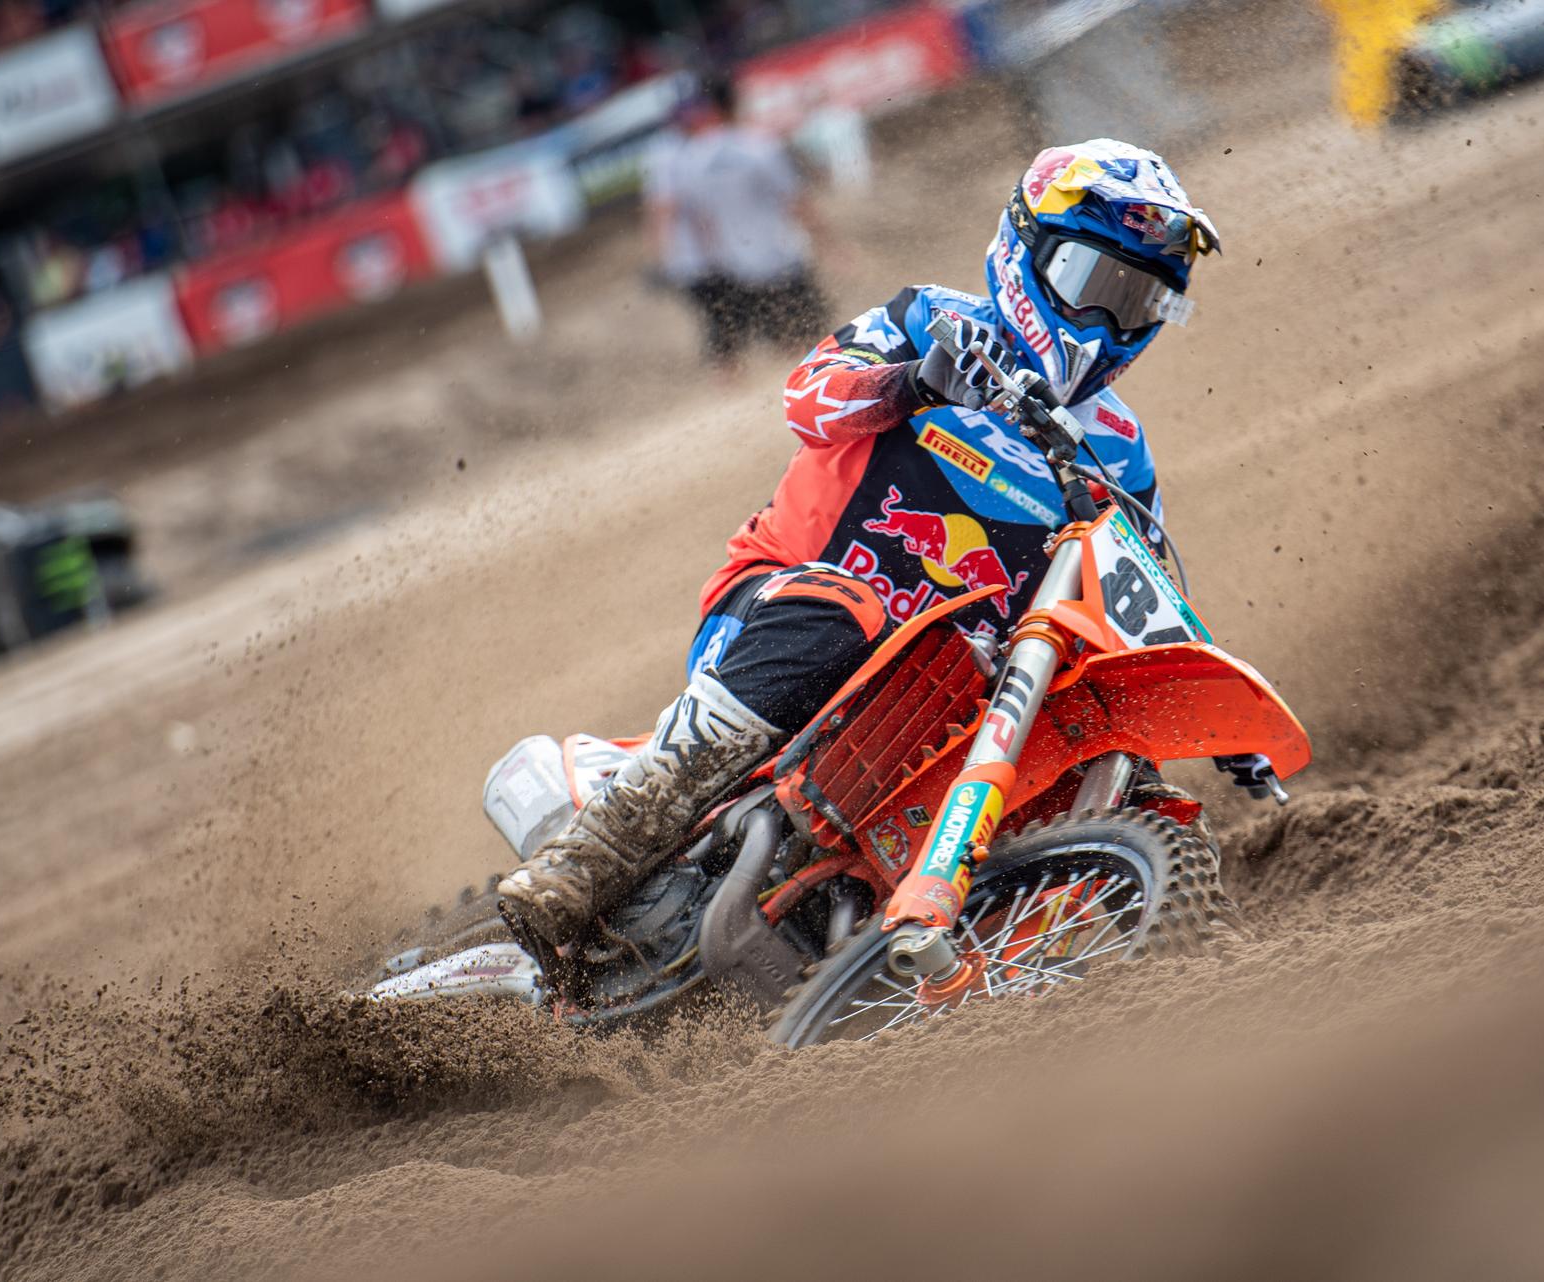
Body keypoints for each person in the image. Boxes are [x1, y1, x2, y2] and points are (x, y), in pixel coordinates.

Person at [500, 138, 1254, 951]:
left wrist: (1216, 706)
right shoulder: (929, 322)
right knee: (846, 612)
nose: (1109, 319)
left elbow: (1136, 589)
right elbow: (808, 399)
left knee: (1112, 751)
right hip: (787, 608)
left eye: (1137, 301)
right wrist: (914, 384)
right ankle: (591, 853)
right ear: (1025, 249)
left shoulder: (1119, 451)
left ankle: (1193, 956)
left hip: (942, 699)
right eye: (1092, 283)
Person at [642, 71, 826, 369]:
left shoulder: (689, 154)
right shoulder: (754, 145)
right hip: (764, 258)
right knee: (784, 337)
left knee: (739, 337)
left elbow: (680, 213)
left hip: (726, 264)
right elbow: (795, 200)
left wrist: (667, 259)